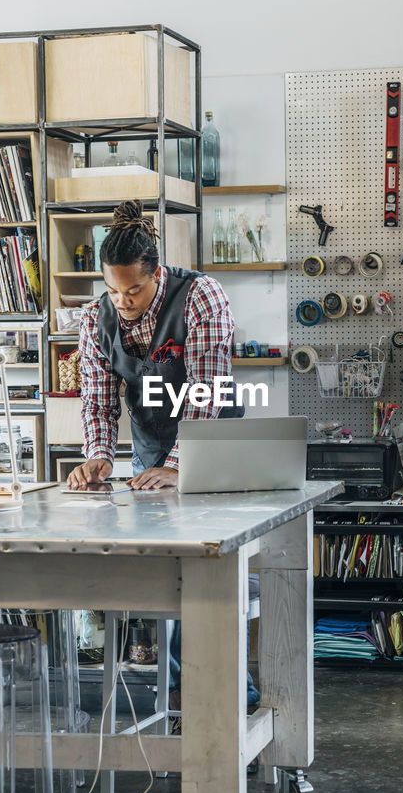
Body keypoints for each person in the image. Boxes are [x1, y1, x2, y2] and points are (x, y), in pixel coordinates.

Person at [67, 199, 259, 709]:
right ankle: (177, 697)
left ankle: (233, 697)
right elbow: (98, 399)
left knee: (210, 578)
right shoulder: (95, 318)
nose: (123, 301)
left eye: (134, 290)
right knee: (164, 579)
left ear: (157, 274)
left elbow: (207, 391)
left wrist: (179, 465)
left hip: (214, 447)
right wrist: (100, 457)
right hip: (150, 451)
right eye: (112, 289)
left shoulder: (201, 297)